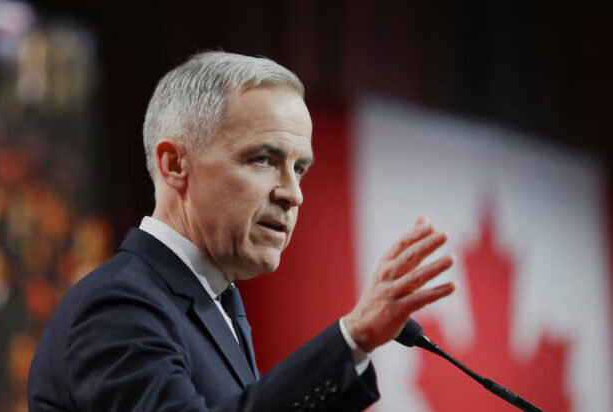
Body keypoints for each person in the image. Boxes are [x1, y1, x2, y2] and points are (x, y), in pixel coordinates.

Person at [27, 51, 455, 411]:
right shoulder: (118, 306)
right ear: (175, 164)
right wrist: (352, 338)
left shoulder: (218, 302)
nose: (293, 194)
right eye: (263, 159)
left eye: (300, 168)